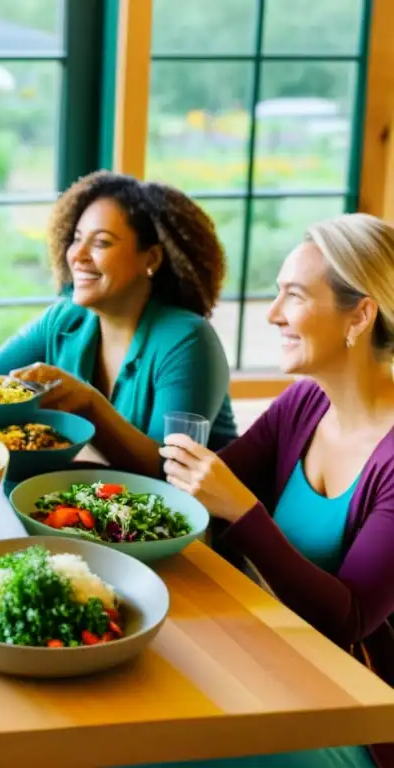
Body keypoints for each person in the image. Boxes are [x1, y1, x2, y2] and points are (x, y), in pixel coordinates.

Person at [160, 213, 394, 768]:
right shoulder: (305, 405)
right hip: (273, 662)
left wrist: (241, 509)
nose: (272, 314)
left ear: (359, 315)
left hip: (357, 710)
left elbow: (350, 617)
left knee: (154, 749)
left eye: (293, 295)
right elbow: (204, 494)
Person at [0, 171, 237, 476]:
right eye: (76, 239)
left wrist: (89, 404)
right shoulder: (64, 319)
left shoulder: (187, 340)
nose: (78, 255)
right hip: (103, 502)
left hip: (199, 517)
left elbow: (171, 470)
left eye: (101, 242)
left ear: (151, 258)